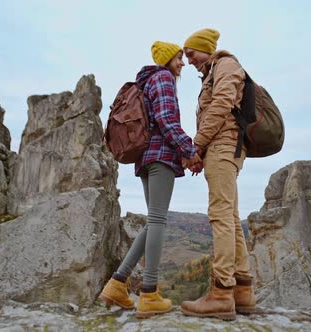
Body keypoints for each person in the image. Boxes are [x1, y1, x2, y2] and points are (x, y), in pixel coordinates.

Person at [99, 41, 201, 319]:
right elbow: (167, 120)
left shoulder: (145, 83)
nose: (181, 64)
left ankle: (117, 284)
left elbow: (154, 122)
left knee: (153, 220)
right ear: (167, 60)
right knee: (158, 221)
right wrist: (189, 150)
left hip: (145, 159)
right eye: (178, 58)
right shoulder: (163, 78)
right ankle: (149, 293)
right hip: (160, 158)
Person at [180, 28, 256, 321]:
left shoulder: (225, 65)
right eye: (185, 56)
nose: (188, 61)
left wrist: (195, 146)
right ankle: (243, 292)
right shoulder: (215, 70)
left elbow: (222, 105)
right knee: (232, 218)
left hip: (224, 147)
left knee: (220, 215)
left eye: (191, 54)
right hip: (222, 148)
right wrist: (201, 152)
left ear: (206, 49)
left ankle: (221, 293)